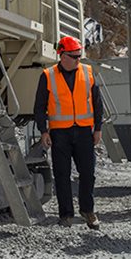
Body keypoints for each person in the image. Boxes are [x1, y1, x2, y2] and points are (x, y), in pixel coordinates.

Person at [34, 36, 103, 229]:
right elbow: (39, 107)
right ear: (62, 56)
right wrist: (43, 131)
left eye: (79, 56)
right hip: (60, 134)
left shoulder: (87, 72)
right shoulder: (48, 75)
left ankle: (88, 211)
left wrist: (98, 128)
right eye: (74, 56)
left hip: (84, 132)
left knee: (88, 173)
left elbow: (98, 103)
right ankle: (66, 214)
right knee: (62, 175)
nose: (78, 59)